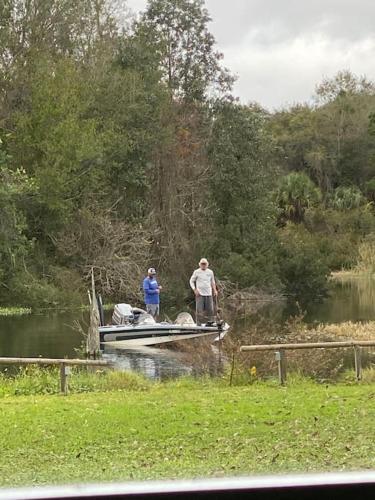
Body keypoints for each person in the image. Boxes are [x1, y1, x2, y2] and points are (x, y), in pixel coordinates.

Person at [189, 258, 218, 325]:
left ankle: (211, 324)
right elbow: (191, 281)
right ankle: (198, 325)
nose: (203, 265)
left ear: (207, 264)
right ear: (200, 264)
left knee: (210, 310)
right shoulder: (196, 272)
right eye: (202, 264)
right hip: (200, 294)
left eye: (204, 264)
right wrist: (195, 289)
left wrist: (215, 290)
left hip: (209, 294)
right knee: (199, 311)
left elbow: (212, 282)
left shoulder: (210, 272)